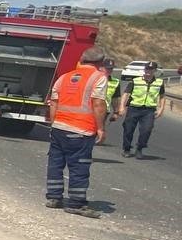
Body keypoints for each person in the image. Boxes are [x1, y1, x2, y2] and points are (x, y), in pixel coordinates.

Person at [45, 46, 110, 218]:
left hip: (59, 127)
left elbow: (53, 103)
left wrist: (55, 124)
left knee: (55, 164)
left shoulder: (65, 78)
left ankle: (53, 197)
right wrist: (101, 128)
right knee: (79, 167)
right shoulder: (98, 78)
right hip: (81, 130)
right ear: (100, 63)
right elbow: (98, 104)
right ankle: (75, 203)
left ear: (81, 60)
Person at [119, 61, 165, 158]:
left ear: (155, 71)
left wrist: (161, 109)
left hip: (149, 110)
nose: (148, 71)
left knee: (146, 130)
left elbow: (162, 96)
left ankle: (139, 148)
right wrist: (122, 107)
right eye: (147, 69)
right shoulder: (135, 81)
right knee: (128, 129)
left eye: (151, 70)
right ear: (144, 69)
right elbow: (126, 94)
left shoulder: (159, 83)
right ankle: (126, 148)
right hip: (134, 108)